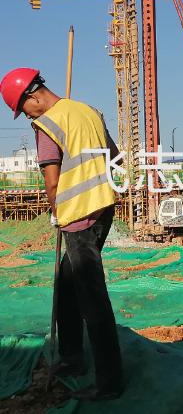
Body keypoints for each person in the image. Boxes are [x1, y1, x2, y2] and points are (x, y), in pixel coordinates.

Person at [0, 68, 123, 402]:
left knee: (91, 298)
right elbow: (115, 156)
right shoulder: (89, 112)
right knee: (67, 282)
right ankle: (71, 356)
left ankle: (110, 381)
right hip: (104, 208)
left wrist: (57, 212)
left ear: (33, 96)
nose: (27, 116)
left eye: (24, 110)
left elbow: (52, 183)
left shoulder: (46, 126)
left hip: (78, 216)